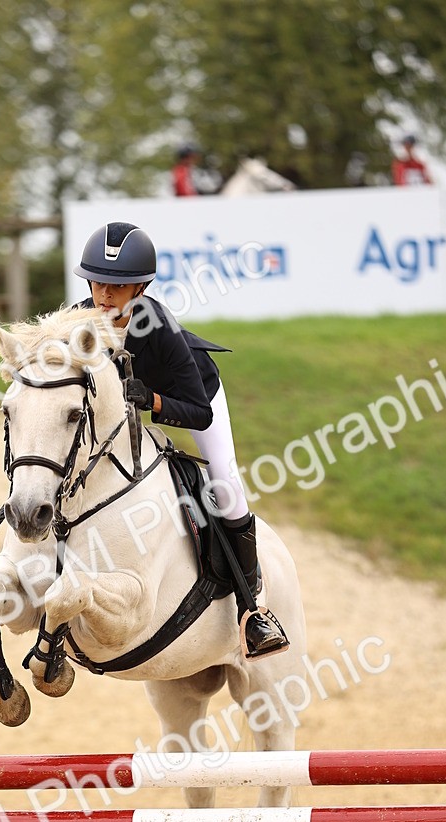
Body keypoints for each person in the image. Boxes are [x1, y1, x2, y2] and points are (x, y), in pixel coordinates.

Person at [73, 222, 289, 660]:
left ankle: (254, 611)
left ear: (142, 287)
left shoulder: (160, 328)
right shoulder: (79, 320)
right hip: (126, 414)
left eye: (117, 286)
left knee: (225, 483)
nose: (104, 295)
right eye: (98, 282)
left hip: (192, 396)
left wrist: (152, 400)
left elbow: (199, 412)